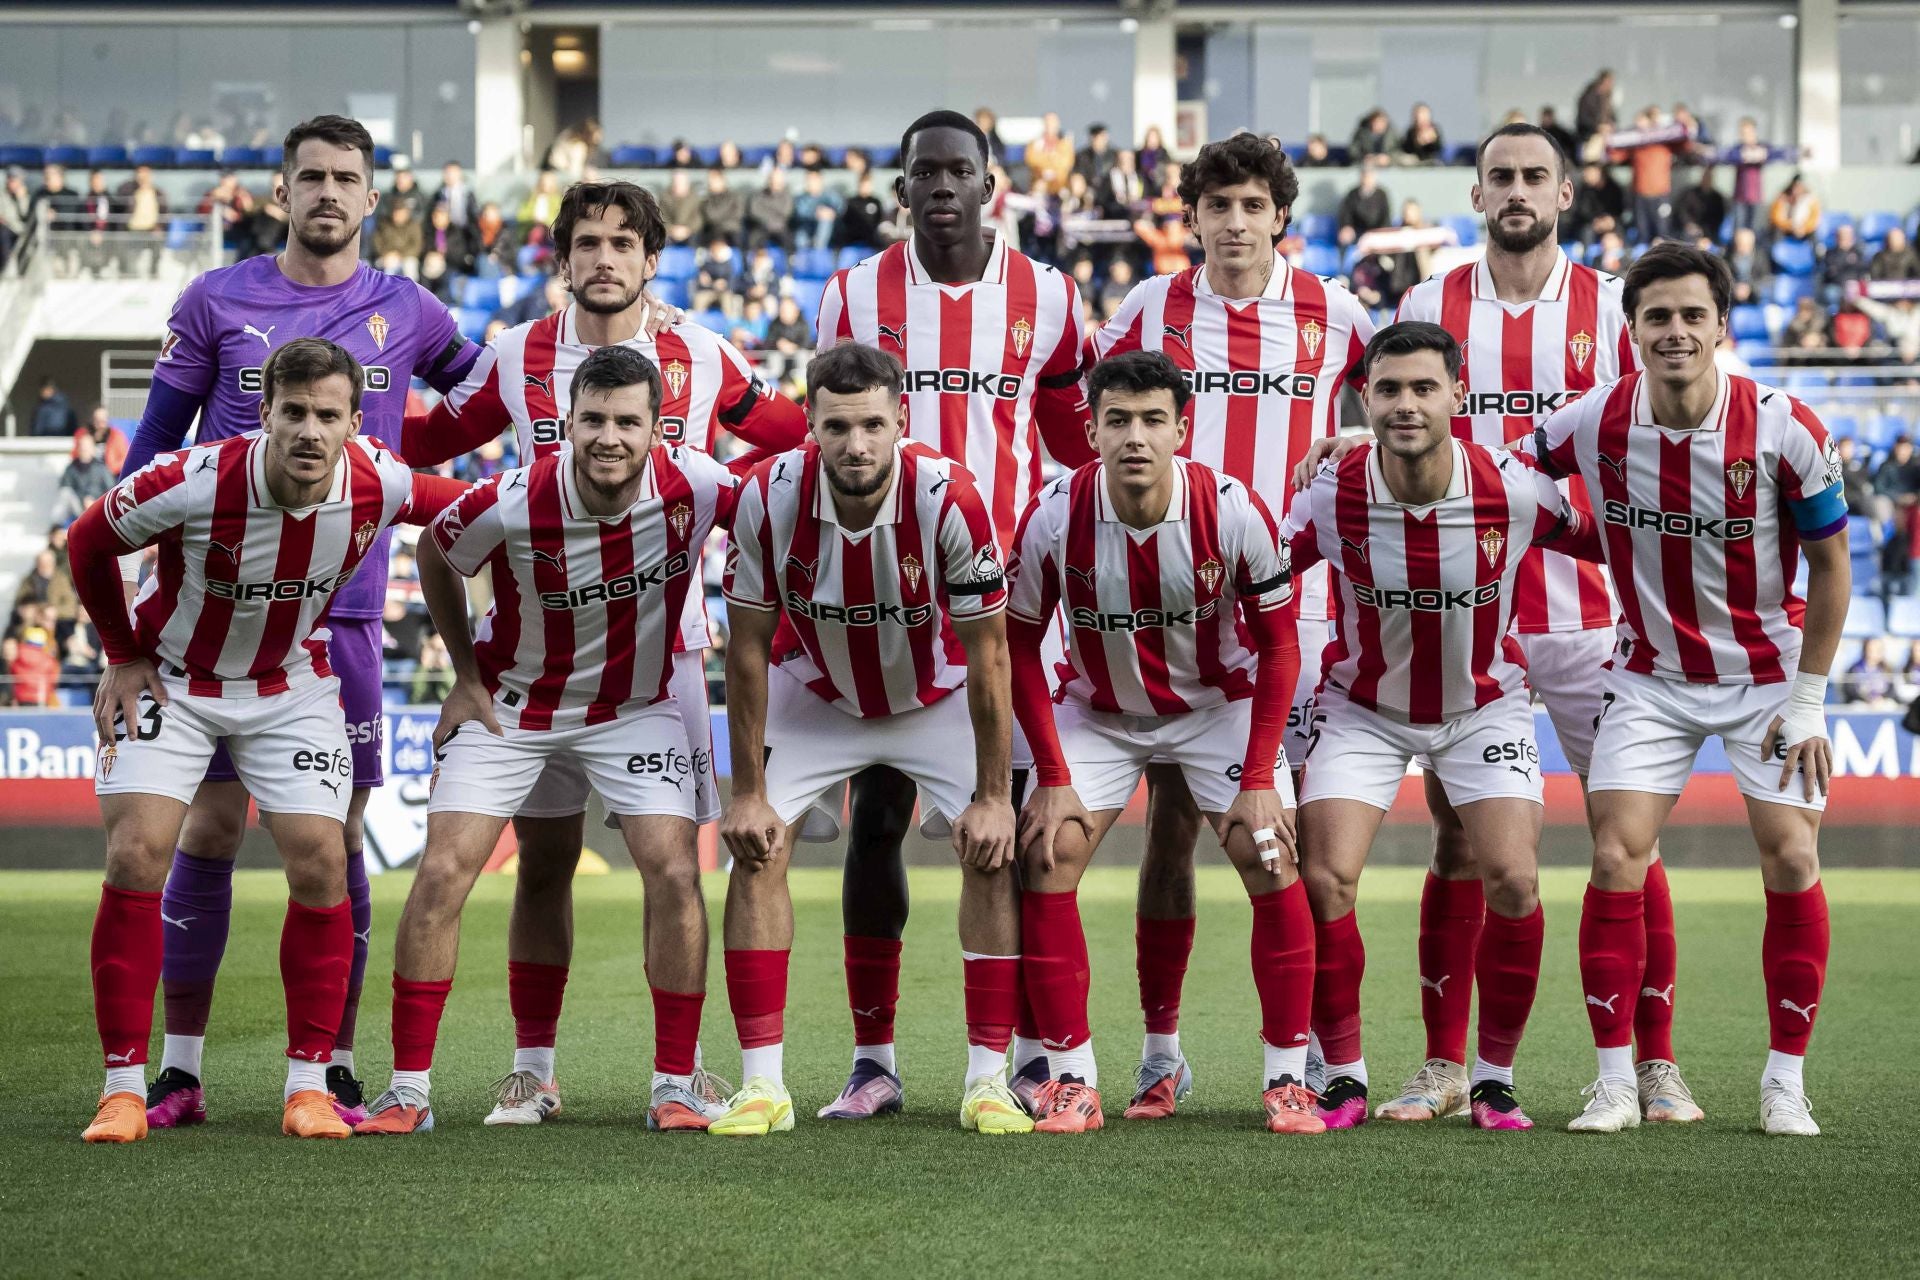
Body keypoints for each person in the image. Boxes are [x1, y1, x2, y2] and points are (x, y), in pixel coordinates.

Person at [397, 180, 807, 1124]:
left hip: (661, 658)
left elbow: (785, 442)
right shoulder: (516, 354)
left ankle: (682, 1071)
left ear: (652, 257)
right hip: (528, 658)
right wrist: (340, 437)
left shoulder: (701, 352)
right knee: (542, 860)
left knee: (678, 864)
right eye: (588, 241)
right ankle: (532, 1069)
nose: (605, 258)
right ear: (563, 255)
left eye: (625, 241)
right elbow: (440, 441)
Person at [120, 116, 482, 1132]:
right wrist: (137, 606)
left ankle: (336, 1063)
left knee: (338, 836)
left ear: (373, 199)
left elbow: (481, 396)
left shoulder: (404, 307)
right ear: (280, 194)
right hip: (217, 614)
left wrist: (403, 439)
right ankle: (179, 1069)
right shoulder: (215, 299)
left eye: (347, 179)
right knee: (212, 824)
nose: (328, 193)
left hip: (349, 609)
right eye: (310, 177)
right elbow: (151, 445)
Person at [1361, 123, 1701, 1124]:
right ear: (1477, 195)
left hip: (1599, 619)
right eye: (1499, 176)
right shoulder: (1430, 303)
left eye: (1533, 176)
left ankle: (1654, 1062)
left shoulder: (1609, 305)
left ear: (1565, 194)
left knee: (1625, 842)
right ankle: (1442, 1064)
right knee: (1461, 844)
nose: (1516, 190)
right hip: (1474, 622)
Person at [63, 338, 466, 1143]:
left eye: (328, 415)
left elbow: (474, 509)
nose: (310, 431)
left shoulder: (377, 480)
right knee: (137, 853)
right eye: (295, 412)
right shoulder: (194, 478)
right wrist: (123, 653)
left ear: (357, 422)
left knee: (323, 855)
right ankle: (123, 1088)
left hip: (288, 686)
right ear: (264, 413)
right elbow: (87, 542)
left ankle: (309, 1086)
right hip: (172, 678)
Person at [354, 346, 742, 1137]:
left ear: (658, 428)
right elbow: (434, 549)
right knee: (446, 873)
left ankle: (676, 1081)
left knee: (673, 871)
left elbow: (777, 511)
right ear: (564, 425)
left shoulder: (697, 483)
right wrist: (463, 674)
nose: (609, 436)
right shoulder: (513, 495)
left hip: (636, 706)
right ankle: (426, 1088)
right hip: (513, 707)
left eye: (627, 421)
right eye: (592, 420)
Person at [1529, 244, 1848, 1137]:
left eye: (1690, 316)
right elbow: (1497, 468)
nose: (1674, 332)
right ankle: (1615, 1083)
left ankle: (1784, 1082)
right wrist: (1371, 438)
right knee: (1613, 855)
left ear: (1721, 325)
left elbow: (1832, 569)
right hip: (1651, 679)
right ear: (1630, 331)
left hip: (1767, 680)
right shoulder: (1597, 416)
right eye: (1656, 317)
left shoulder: (1786, 427)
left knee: (1790, 858)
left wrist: (1811, 700)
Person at [810, 109, 1092, 1118]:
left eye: (958, 169)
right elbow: (834, 428)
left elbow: (1072, 434)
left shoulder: (1049, 296)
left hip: (1005, 605)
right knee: (876, 817)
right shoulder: (852, 292)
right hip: (885, 600)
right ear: (901, 187)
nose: (940, 184)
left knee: (1005, 828)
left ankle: (1014, 1053)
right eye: (922, 169)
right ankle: (873, 1059)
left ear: (990, 184)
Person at [1086, 132, 1374, 1118]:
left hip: (1294, 615)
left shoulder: (1337, 314)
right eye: (1218, 205)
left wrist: (1366, 431)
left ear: (1280, 215)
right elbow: (1100, 415)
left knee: (1286, 849)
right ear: (1195, 216)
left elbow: (1411, 409)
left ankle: (1325, 1062)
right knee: (1168, 837)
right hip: (1169, 612)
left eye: (1254, 204)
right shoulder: (1149, 309)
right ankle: (1162, 1055)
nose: (1237, 222)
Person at [1287, 321, 1601, 1131]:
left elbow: (1614, 542)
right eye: (1389, 389)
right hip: (1363, 709)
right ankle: (1346, 1079)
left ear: (1457, 396)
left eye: (1424, 388)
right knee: (1325, 879)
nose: (1405, 404)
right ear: (1365, 396)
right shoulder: (1333, 492)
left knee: (1515, 880)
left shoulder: (1515, 490)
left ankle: (1491, 1078)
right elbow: (1254, 564)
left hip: (1481, 707)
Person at [714, 342, 1026, 1137]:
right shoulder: (765, 495)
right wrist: (745, 791)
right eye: (838, 427)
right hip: (816, 690)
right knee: (756, 847)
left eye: (873, 426)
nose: (857, 445)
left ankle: (988, 1080)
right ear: (810, 426)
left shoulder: (949, 496)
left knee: (992, 848)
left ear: (902, 423)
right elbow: (745, 647)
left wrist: (994, 796)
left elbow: (990, 651)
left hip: (936, 693)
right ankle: (763, 1087)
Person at [1008, 349, 1311, 1134]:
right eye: (1117, 421)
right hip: (1100, 711)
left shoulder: (1233, 509)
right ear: (1092, 429)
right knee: (1046, 852)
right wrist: (1049, 773)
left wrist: (1257, 778)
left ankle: (1287, 1078)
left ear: (1182, 428)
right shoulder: (1053, 513)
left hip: (1217, 707)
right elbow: (1014, 644)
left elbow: (1280, 647)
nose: (1134, 437)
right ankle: (1072, 1077)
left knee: (1269, 853)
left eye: (1151, 421)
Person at [54, 431, 115, 525]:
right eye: (82, 446)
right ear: (78, 448)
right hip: (79, 507)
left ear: (93, 449)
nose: (84, 449)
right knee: (65, 493)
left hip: (98, 508)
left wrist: (94, 501)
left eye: (87, 446)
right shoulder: (71, 468)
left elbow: (112, 489)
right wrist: (83, 499)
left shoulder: (101, 468)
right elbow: (65, 488)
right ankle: (55, 528)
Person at [1337, 167, 1391, 246]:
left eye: (1370, 177)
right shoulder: (1352, 194)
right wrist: (1346, 227)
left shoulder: (1382, 195)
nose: (1367, 180)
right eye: (1365, 177)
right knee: (1344, 237)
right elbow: (1346, 214)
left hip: (1377, 231)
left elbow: (1386, 216)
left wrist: (1381, 232)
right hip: (1357, 231)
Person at [1024, 113, 1073, 197]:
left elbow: (1065, 163)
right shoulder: (1035, 144)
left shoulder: (1064, 144)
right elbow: (1032, 161)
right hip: (1040, 183)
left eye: (1053, 124)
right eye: (1047, 123)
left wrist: (1047, 158)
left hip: (1060, 185)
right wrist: (1052, 159)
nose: (1050, 126)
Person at [1674, 168, 1726, 242]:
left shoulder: (1717, 198)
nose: (1706, 180)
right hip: (1690, 228)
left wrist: (1704, 229)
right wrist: (1689, 224)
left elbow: (1718, 218)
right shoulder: (1691, 194)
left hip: (1708, 231)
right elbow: (1683, 211)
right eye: (1705, 177)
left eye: (1709, 178)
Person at [699, 168, 745, 246]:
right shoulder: (707, 199)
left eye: (714, 180)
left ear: (723, 180)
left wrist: (721, 218)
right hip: (714, 230)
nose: (711, 183)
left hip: (732, 230)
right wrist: (725, 213)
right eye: (710, 180)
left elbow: (738, 214)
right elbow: (711, 216)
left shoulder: (734, 196)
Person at [1769, 175, 1821, 243]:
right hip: (1786, 230)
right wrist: (1791, 226)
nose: (1796, 190)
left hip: (1803, 230)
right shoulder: (1782, 199)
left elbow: (1814, 220)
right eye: (1795, 187)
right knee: (1776, 233)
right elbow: (1776, 219)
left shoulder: (1811, 200)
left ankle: (1818, 252)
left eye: (1799, 187)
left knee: (1814, 236)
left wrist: (1803, 228)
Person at [1727, 226, 1771, 305]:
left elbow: (1765, 279)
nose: (1743, 248)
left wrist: (1749, 288)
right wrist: (1735, 288)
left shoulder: (1760, 257)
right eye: (1739, 244)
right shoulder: (1727, 256)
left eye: (1746, 245)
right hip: (1732, 297)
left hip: (1754, 297)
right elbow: (1725, 277)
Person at [1576, 70, 1616, 145]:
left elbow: (1612, 116)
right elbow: (1583, 119)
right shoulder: (1588, 97)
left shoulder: (1607, 98)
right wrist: (1598, 127)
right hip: (1589, 137)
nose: (1611, 85)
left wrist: (1611, 124)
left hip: (1604, 137)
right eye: (1610, 82)